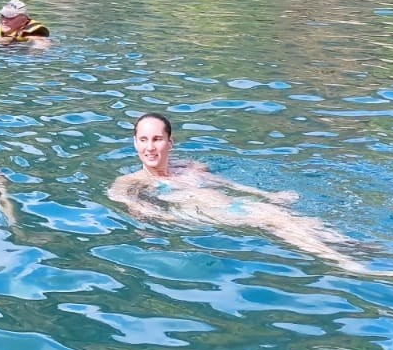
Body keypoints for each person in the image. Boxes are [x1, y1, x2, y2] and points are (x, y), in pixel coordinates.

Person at [110, 112, 377, 273]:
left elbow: (226, 184)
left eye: (157, 139)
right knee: (276, 222)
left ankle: (357, 248)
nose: (150, 147)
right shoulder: (130, 183)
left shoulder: (188, 167)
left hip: (234, 205)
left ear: (170, 142)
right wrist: (174, 219)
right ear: (135, 142)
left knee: (300, 220)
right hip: (206, 214)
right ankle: (343, 260)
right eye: (143, 140)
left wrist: (268, 195)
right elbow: (137, 209)